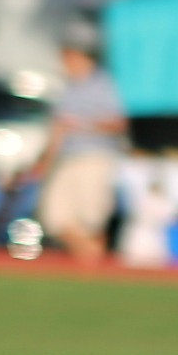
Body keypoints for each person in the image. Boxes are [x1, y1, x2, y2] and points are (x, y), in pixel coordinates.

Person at [33, 41, 127, 264]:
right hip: (67, 158)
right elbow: (58, 128)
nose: (64, 64)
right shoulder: (68, 88)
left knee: (90, 218)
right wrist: (44, 160)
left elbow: (118, 123)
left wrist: (83, 124)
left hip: (94, 156)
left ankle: (91, 263)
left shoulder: (103, 85)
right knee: (54, 216)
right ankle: (91, 256)